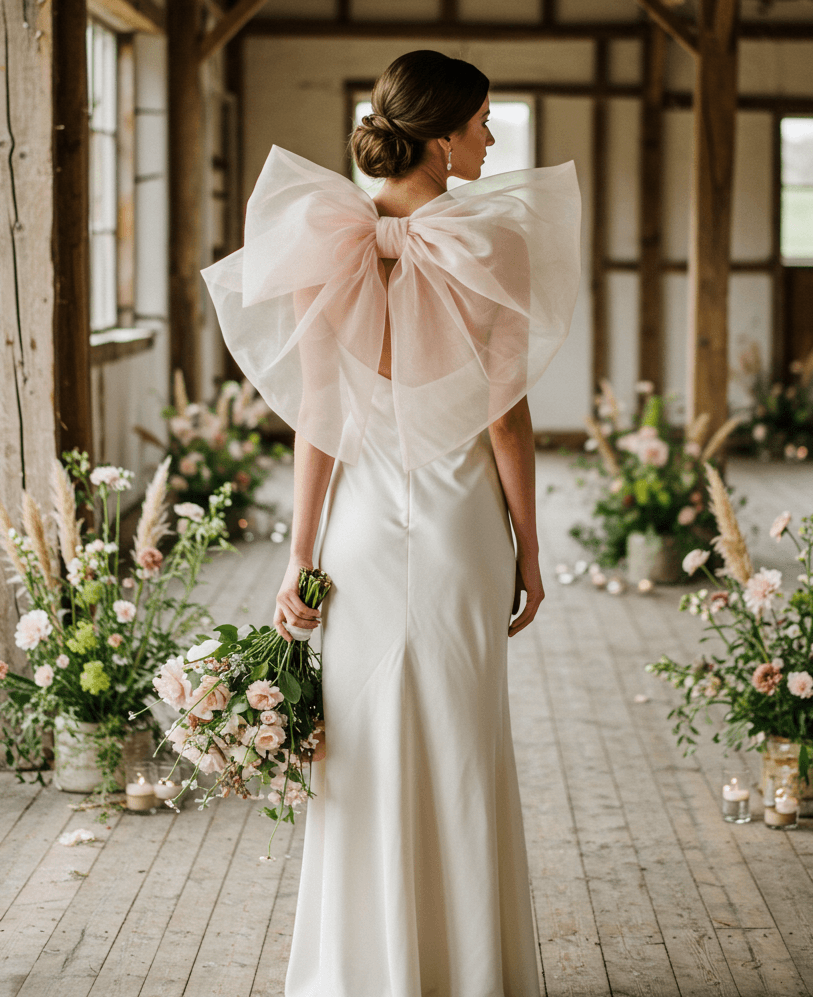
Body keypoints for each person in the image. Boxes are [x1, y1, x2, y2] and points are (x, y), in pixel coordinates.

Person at [201, 49, 581, 997]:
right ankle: (469, 970)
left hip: (359, 534)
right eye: (484, 122)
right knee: (462, 744)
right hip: (459, 533)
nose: (492, 138)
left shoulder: (327, 240)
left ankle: (357, 972)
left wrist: (299, 557)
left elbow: (316, 423)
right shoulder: (492, 244)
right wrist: (530, 546)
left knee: (362, 749)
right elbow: (506, 418)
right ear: (444, 139)